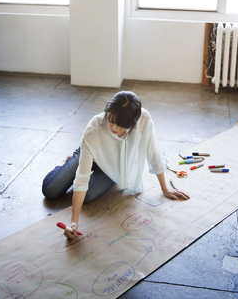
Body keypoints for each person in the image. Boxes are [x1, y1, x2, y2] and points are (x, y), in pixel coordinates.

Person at [42, 91, 189, 239]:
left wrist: (164, 188)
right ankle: (67, 163)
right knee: (50, 190)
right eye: (111, 121)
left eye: (121, 126)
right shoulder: (94, 128)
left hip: (113, 165)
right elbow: (82, 178)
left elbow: (153, 153)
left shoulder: (144, 119)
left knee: (87, 196)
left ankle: (82, 170)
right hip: (90, 153)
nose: (114, 128)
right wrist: (74, 222)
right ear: (107, 111)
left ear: (133, 123)